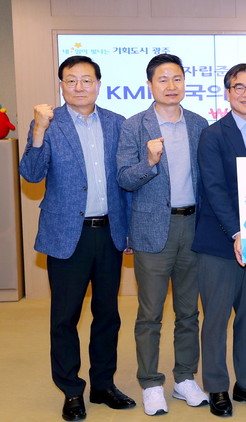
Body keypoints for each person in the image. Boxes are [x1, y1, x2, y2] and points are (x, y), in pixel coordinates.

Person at [19, 55, 135, 421]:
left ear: (99, 84)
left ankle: (103, 385)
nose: (79, 87)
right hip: (67, 235)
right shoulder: (48, 123)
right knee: (64, 318)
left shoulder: (117, 123)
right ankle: (71, 390)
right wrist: (38, 131)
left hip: (109, 232)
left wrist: (129, 229)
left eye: (86, 80)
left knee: (108, 315)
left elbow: (126, 181)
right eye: (71, 80)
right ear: (61, 86)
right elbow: (31, 174)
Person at [116, 54, 210, 415]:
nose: (171, 86)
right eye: (163, 80)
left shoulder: (199, 124)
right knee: (150, 313)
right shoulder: (134, 126)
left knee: (188, 312)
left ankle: (185, 378)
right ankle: (151, 382)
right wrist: (150, 162)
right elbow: (125, 178)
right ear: (150, 85)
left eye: (177, 79)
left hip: (193, 227)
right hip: (152, 229)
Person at [192, 63, 246, 417]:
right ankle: (217, 387)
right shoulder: (212, 135)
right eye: (239, 87)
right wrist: (237, 233)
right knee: (215, 318)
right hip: (219, 243)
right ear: (227, 93)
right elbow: (214, 189)